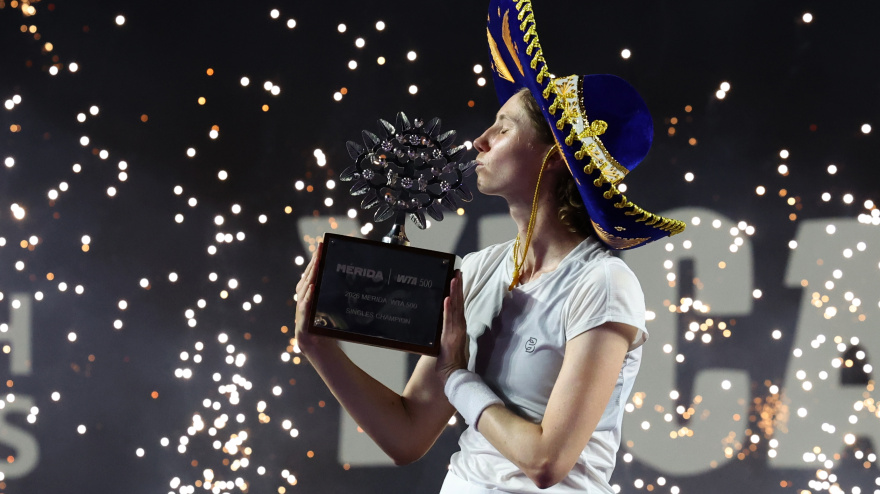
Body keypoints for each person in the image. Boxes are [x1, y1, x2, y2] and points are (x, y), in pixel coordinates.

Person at [295, 1, 685, 492]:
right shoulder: (477, 271)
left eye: (504, 126)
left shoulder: (603, 282)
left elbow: (546, 462)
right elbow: (407, 435)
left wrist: (457, 376)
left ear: (557, 156)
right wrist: (320, 346)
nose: (480, 140)